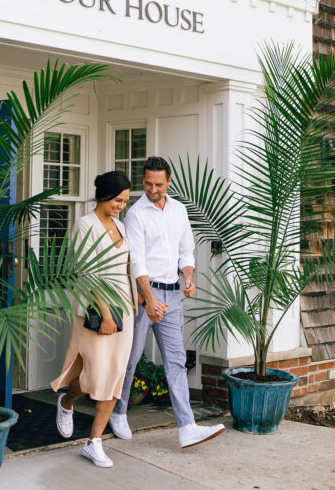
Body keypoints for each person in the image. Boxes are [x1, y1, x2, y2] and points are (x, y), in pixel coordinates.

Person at [109, 156, 225, 448]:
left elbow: (186, 251)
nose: (152, 189)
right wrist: (149, 300)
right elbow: (137, 261)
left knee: (175, 362)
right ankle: (118, 411)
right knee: (131, 357)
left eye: (158, 184)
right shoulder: (136, 214)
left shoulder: (179, 211)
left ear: (168, 182)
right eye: (148, 183)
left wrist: (188, 277)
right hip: (142, 295)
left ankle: (187, 426)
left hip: (172, 294)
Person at [51, 170, 137, 468]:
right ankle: (67, 401)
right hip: (95, 311)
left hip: (124, 311)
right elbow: (84, 273)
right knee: (93, 377)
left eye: (125, 201)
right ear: (103, 195)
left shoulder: (120, 226)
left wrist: (135, 303)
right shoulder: (84, 226)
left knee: (114, 377)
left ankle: (94, 441)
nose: (120, 206)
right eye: (117, 200)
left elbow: (126, 268)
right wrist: (104, 313)